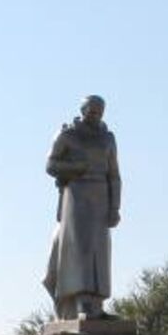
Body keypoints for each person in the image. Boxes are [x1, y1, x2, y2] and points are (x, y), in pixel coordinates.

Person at [42, 94, 122, 319]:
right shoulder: (68, 135)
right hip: (76, 195)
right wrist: (76, 167)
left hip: (101, 197)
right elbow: (51, 164)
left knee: (100, 251)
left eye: (100, 110)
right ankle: (80, 303)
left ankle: (96, 305)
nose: (96, 114)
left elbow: (114, 175)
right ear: (83, 110)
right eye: (92, 109)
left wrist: (115, 207)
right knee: (80, 249)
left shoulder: (108, 138)